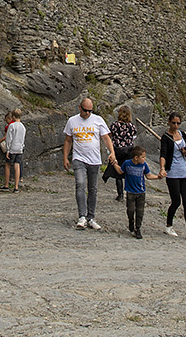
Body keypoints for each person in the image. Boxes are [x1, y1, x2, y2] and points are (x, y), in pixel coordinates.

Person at [62, 98, 114, 230]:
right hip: (79, 158)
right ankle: (82, 216)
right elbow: (68, 140)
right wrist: (65, 157)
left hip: (94, 160)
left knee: (93, 189)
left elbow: (106, 137)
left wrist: (112, 152)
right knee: (80, 184)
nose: (87, 113)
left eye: (90, 111)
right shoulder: (72, 121)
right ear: (80, 108)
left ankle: (91, 217)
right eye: (85, 110)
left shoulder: (98, 120)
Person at [158, 112, 186, 242]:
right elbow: (163, 154)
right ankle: (169, 225)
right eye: (173, 123)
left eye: (178, 123)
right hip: (172, 173)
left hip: (184, 172)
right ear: (169, 122)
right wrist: (162, 168)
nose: (176, 126)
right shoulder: (166, 137)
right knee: (176, 201)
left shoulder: (182, 134)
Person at [111, 145, 161, 238]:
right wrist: (114, 164)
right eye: (143, 157)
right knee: (130, 210)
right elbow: (120, 171)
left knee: (140, 211)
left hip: (141, 192)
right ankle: (131, 222)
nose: (144, 159)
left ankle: (138, 228)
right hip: (130, 192)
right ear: (136, 158)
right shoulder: (127, 163)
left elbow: (148, 176)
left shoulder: (144, 165)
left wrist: (158, 177)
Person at [103, 105, 137, 201]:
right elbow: (134, 135)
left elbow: (110, 136)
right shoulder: (132, 126)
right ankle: (130, 193)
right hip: (129, 150)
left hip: (117, 150)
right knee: (129, 172)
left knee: (117, 173)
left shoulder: (114, 125)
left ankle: (120, 195)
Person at [1, 108, 26, 192]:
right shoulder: (23, 127)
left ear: (14, 117)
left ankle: (6, 185)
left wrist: (8, 150)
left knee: (8, 165)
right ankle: (16, 186)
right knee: (17, 165)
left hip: (12, 148)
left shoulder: (12, 126)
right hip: (20, 148)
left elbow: (9, 139)